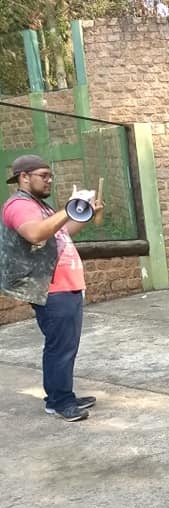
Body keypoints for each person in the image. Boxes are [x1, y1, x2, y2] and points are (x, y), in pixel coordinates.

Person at [0, 154, 103, 422]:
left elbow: (62, 232)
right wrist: (69, 208)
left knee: (66, 344)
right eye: (43, 176)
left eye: (50, 176)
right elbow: (35, 234)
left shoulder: (39, 206)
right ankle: (59, 402)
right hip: (51, 288)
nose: (49, 181)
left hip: (65, 285)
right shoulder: (20, 205)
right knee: (60, 347)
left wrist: (86, 213)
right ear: (24, 177)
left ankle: (62, 394)